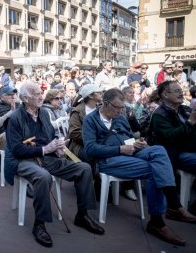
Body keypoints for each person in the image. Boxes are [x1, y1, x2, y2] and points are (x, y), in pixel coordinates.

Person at [82, 88, 196, 246]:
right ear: (106, 104)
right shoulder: (90, 119)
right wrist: (119, 149)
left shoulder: (120, 117)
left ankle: (173, 205)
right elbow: (90, 149)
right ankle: (158, 221)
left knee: (158, 150)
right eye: (118, 107)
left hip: (130, 153)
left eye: (123, 107)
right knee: (154, 170)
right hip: (108, 159)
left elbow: (129, 137)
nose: (121, 111)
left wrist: (138, 143)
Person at [4, 82, 104, 248]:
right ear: (25, 98)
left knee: (84, 168)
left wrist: (58, 147)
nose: (41, 96)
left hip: (47, 157)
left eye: (41, 93)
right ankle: (39, 224)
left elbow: (50, 135)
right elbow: (17, 149)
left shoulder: (43, 113)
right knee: (43, 176)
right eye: (36, 94)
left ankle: (83, 215)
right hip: (22, 160)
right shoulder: (15, 118)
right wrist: (45, 149)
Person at [150, 80, 196, 212]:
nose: (181, 93)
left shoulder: (185, 109)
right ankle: (179, 209)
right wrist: (190, 122)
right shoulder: (159, 115)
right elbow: (170, 137)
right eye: (177, 91)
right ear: (165, 95)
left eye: (181, 90)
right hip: (177, 154)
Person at [67, 84, 103, 162]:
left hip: (99, 143)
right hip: (81, 146)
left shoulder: (100, 109)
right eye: (98, 92)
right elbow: (75, 133)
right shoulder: (78, 111)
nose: (101, 93)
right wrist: (93, 141)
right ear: (90, 95)